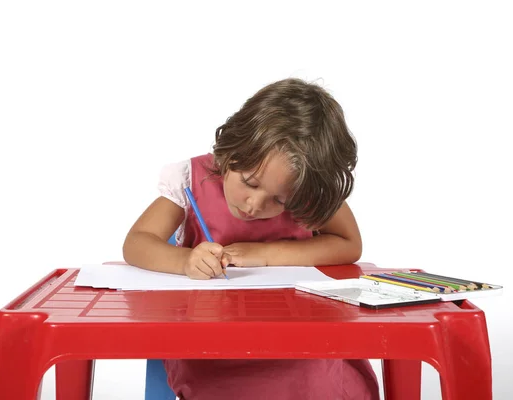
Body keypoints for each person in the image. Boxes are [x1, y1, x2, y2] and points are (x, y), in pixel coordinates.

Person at [123, 77, 379, 399]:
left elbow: (348, 244)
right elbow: (138, 242)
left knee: (317, 375)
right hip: (212, 348)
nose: (254, 205)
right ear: (231, 152)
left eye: (280, 201)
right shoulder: (190, 179)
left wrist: (267, 253)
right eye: (250, 182)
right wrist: (186, 260)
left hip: (301, 343)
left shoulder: (305, 184)